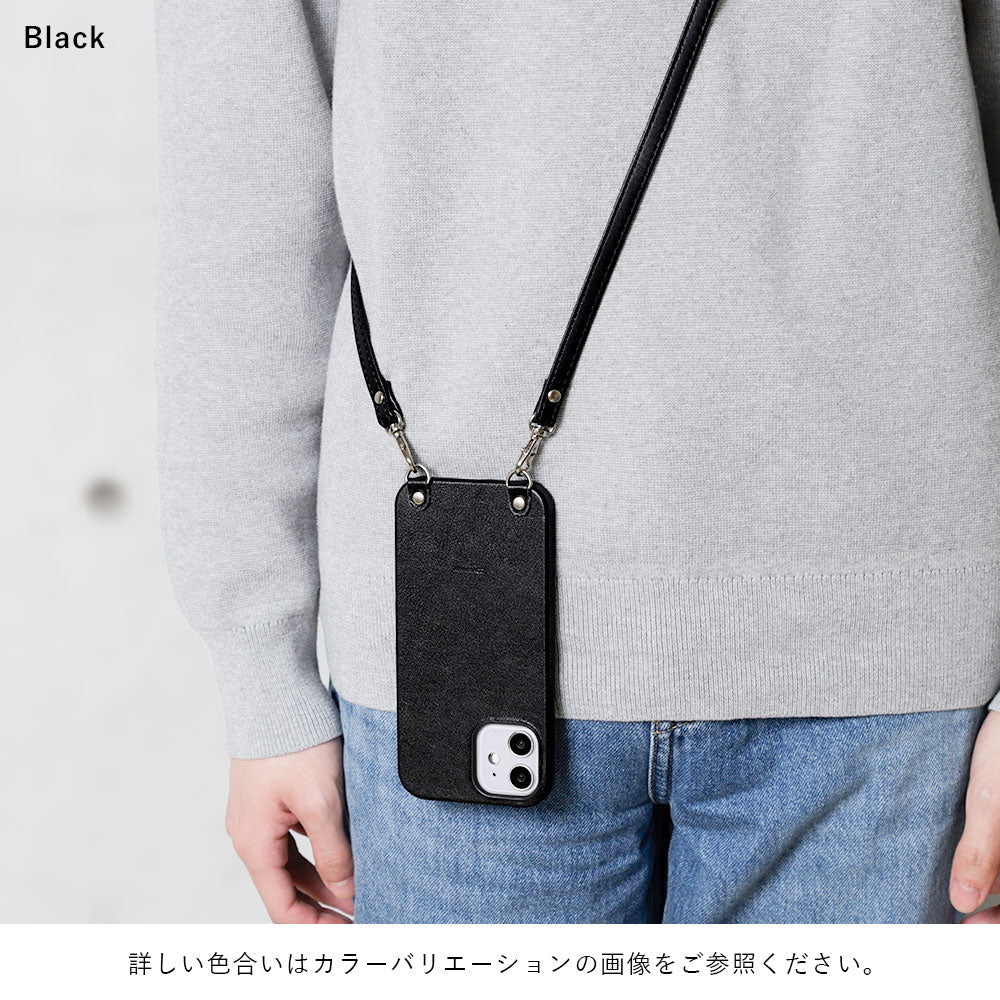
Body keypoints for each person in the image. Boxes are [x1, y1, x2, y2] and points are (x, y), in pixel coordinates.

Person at [153, 1, 1000, 923]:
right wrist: (261, 676)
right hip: (458, 643)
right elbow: (244, 187)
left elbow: (238, 197)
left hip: (897, 653)